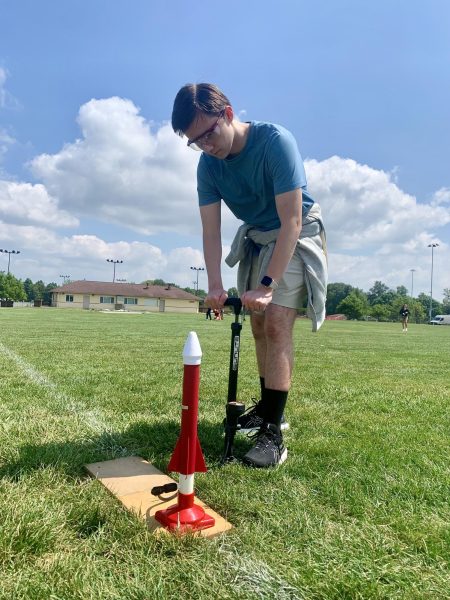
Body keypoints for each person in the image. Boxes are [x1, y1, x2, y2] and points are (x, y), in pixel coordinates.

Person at [172, 83, 327, 468]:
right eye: (195, 141)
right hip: (258, 236)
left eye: (208, 134)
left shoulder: (275, 142)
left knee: (275, 321)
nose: (206, 146)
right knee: (257, 326)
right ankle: (267, 409)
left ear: (227, 114)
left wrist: (268, 286)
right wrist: (213, 285)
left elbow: (290, 220)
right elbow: (211, 231)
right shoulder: (208, 166)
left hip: (295, 229)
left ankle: (273, 434)